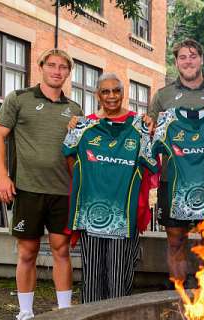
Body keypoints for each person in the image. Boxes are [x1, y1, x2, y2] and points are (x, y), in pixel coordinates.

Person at [0, 49, 83, 320]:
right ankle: (25, 312)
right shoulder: (19, 99)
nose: (57, 71)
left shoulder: (74, 109)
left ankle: (64, 312)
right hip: (27, 189)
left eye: (63, 67)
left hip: (62, 191)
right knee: (27, 252)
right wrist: (2, 176)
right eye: (51, 65)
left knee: (61, 251)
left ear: (68, 72)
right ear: (41, 67)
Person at [63, 73, 158, 303]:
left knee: (119, 278)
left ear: (123, 94)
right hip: (91, 213)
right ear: (98, 95)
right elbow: (70, 160)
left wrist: (151, 131)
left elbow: (153, 166)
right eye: (106, 91)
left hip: (124, 216)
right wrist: (87, 184)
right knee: (92, 275)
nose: (112, 96)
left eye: (116, 91)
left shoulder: (140, 126)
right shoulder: (84, 126)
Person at [148, 39, 204, 285]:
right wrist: (152, 124)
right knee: (175, 240)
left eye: (193, 56)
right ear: (176, 62)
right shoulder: (163, 96)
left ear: (201, 59)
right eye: (183, 57)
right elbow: (151, 132)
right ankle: (179, 299)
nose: (188, 61)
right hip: (172, 181)